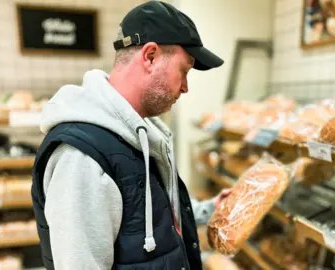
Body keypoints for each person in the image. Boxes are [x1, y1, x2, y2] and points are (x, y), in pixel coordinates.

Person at [31, 1, 229, 270]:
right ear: (150, 56)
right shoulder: (82, 157)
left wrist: (208, 209)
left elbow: (149, 215)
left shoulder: (140, 133)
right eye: (184, 70)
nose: (185, 87)